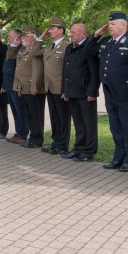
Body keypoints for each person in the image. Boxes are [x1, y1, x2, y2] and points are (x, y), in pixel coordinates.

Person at [94, 11, 128, 172]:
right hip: (110, 91)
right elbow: (88, 51)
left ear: (123, 25)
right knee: (115, 127)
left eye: (113, 24)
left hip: (127, 93)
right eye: (109, 24)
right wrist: (96, 36)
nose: (109, 26)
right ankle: (118, 158)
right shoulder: (106, 42)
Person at [61, 22, 100, 162]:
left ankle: (89, 151)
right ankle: (78, 148)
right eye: (71, 32)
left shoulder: (89, 47)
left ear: (83, 33)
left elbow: (94, 72)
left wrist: (92, 92)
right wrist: (65, 90)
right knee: (78, 123)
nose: (70, 34)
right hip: (72, 91)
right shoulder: (70, 47)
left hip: (85, 92)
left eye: (73, 32)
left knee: (89, 123)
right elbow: (66, 70)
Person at [40, 17, 71, 154]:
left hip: (60, 88)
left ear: (60, 30)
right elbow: (35, 52)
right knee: (54, 117)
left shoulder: (67, 46)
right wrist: (41, 38)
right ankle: (56, 142)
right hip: (49, 87)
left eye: (52, 28)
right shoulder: (48, 46)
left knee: (63, 118)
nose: (49, 30)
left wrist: (66, 89)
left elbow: (67, 69)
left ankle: (62, 145)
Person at [14, 25, 45, 149]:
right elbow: (11, 54)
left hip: (33, 88)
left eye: (26, 36)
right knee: (29, 115)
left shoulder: (37, 50)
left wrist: (34, 87)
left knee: (35, 115)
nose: (23, 38)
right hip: (24, 88)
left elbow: (37, 71)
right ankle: (32, 137)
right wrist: (15, 42)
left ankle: (37, 139)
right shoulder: (23, 50)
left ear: (34, 38)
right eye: (22, 36)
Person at [3, 28, 28, 144]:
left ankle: (23, 134)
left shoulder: (21, 49)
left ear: (17, 37)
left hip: (16, 84)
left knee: (20, 111)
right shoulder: (11, 48)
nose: (8, 38)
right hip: (9, 85)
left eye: (10, 36)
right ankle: (18, 133)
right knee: (15, 111)